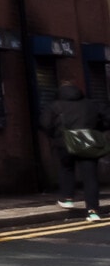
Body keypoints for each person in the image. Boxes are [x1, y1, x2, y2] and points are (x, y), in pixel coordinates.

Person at [38, 81, 104, 222]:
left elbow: (45, 123)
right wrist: (94, 130)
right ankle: (93, 211)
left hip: (64, 141)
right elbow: (106, 120)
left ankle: (67, 198)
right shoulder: (91, 104)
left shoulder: (55, 105)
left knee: (66, 168)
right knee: (90, 176)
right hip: (88, 140)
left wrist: (55, 135)